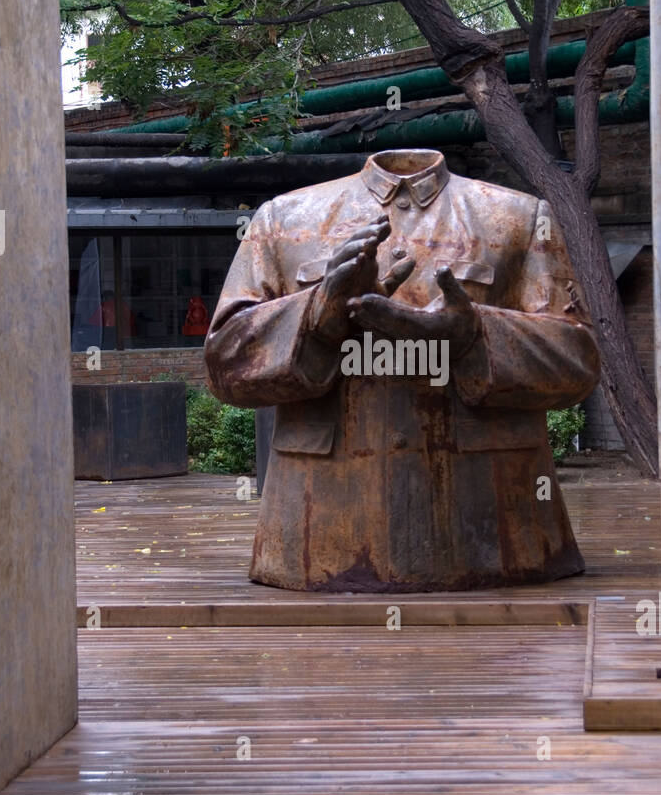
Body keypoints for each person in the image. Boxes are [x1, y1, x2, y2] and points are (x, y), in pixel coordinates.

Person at [206, 148, 599, 591]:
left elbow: (577, 361)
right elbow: (224, 363)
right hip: (316, 547)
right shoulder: (283, 218)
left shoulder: (520, 216)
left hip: (496, 541)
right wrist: (318, 313)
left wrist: (472, 334)